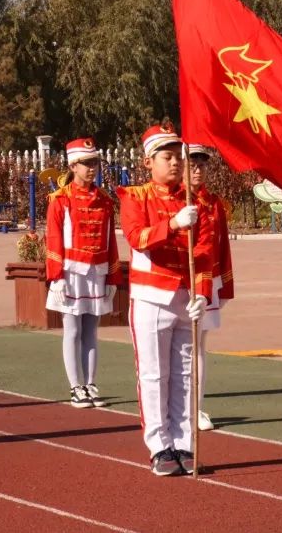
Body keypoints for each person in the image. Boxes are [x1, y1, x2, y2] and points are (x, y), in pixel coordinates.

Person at [118, 124, 214, 476]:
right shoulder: (135, 197)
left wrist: (203, 294)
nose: (176, 163)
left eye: (179, 157)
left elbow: (203, 254)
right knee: (154, 375)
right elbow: (137, 237)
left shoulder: (194, 201)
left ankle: (185, 444)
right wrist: (172, 225)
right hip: (150, 297)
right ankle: (159, 446)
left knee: (185, 375)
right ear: (149, 162)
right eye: (168, 157)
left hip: (185, 298)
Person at [45, 138, 122, 408]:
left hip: (97, 271)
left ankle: (90, 383)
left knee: (91, 329)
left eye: (95, 163)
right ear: (72, 165)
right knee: (72, 329)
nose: (92, 168)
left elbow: (111, 239)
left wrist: (113, 275)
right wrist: (56, 276)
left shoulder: (104, 200)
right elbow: (53, 238)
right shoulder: (60, 199)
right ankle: (75, 386)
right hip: (71, 272)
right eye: (86, 163)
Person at [186, 144, 235, 431]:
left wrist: (225, 286)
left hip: (208, 281)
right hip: (179, 282)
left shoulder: (214, 203)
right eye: (192, 164)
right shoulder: (175, 201)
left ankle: (197, 407)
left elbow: (222, 247)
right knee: (181, 348)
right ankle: (178, 407)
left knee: (200, 346)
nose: (197, 169)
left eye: (202, 164)